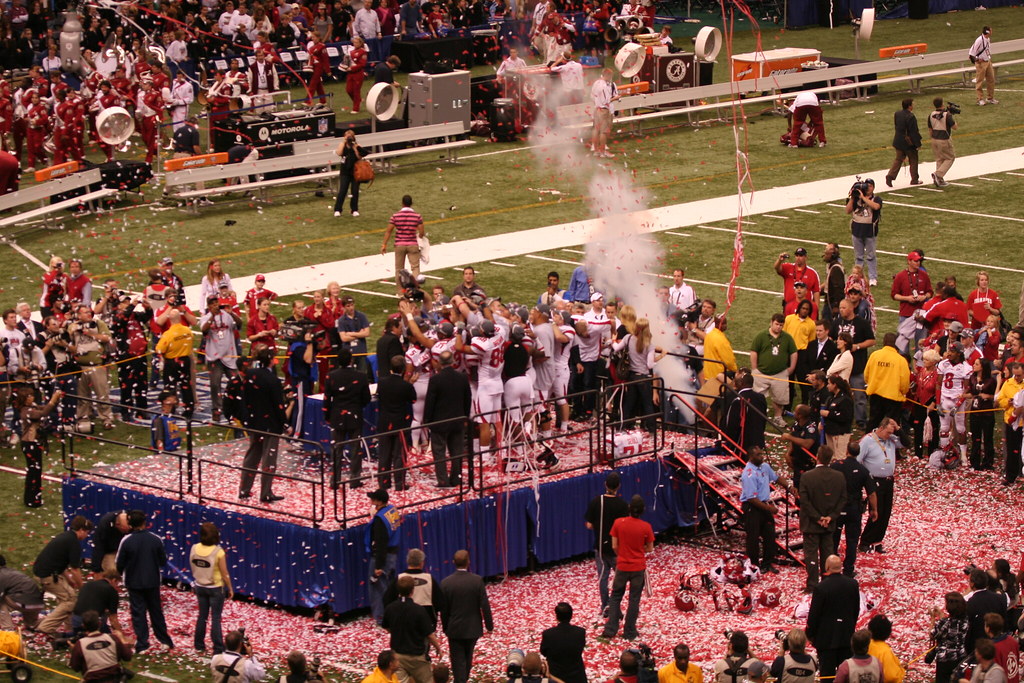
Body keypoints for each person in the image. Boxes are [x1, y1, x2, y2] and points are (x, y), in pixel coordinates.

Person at [116, 509, 173, 654]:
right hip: (152, 581)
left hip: (134, 582)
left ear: (129, 524)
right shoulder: (155, 539)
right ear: (144, 522)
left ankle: (142, 644)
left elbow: (119, 563)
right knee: (156, 611)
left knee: (138, 613)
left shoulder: (126, 540)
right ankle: (164, 641)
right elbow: (162, 561)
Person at [600, 494, 654, 640]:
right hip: (638, 567)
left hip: (622, 565)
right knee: (634, 599)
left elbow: (614, 546)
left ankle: (611, 629)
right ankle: (629, 631)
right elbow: (649, 548)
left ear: (629, 508)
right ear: (642, 510)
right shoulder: (646, 527)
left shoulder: (618, 523)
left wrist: (623, 553)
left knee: (616, 596)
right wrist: (638, 548)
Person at [239, 346, 288, 503]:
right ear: (271, 361)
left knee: (252, 454)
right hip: (270, 424)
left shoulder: (249, 374)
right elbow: (278, 406)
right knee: (269, 458)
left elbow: (244, 398)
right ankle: (265, 492)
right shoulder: (272, 380)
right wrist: (284, 424)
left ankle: (244, 489)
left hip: (254, 422)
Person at [33, 514, 94, 635]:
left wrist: (69, 580)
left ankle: (69, 627)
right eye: (87, 532)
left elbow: (61, 563)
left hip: (44, 572)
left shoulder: (66, 537)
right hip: (48, 575)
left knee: (66, 595)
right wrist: (82, 587)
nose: (87, 536)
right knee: (71, 600)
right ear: (81, 530)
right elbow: (75, 569)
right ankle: (45, 627)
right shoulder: (74, 543)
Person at [439, 550, 493, 683]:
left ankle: (461, 679)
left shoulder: (446, 583)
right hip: (472, 628)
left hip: (455, 628)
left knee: (458, 662)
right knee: (467, 659)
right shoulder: (476, 581)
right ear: (468, 562)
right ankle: (462, 679)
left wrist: (446, 627)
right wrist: (489, 626)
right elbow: (484, 605)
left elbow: (444, 610)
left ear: (453, 563)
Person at [799, 446, 847, 592]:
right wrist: (830, 517)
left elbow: (805, 502)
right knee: (827, 553)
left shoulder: (807, 476)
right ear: (831, 459)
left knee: (811, 554)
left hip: (811, 524)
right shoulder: (839, 476)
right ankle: (827, 583)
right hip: (828, 523)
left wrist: (818, 518)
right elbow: (843, 499)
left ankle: (812, 585)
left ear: (817, 456)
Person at [739, 446, 793, 574]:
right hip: (753, 507)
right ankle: (754, 565)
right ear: (751, 457)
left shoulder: (765, 467)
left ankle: (767, 563)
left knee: (769, 535)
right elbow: (751, 498)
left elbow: (776, 478)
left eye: (762, 454)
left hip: (763, 504)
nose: (761, 457)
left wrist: (789, 486)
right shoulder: (748, 474)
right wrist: (769, 509)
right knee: (753, 537)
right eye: (758, 455)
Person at [324, 348, 372, 489]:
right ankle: (354, 480)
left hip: (337, 416)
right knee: (355, 449)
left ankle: (335, 481)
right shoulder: (361, 376)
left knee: (336, 450)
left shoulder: (331, 376)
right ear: (351, 360)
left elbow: (327, 399)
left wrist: (328, 416)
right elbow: (366, 398)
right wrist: (357, 407)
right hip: (355, 416)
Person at [423, 350, 472, 488]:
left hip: (440, 422)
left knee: (439, 452)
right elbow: (467, 399)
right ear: (453, 361)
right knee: (456, 452)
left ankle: (443, 480)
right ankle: (456, 479)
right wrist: (465, 417)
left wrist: (427, 420)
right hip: (457, 420)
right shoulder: (461, 378)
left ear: (439, 362)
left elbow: (430, 402)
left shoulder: (435, 379)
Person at [807, 555, 861, 678]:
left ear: (827, 567)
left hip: (826, 639)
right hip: (846, 635)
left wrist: (810, 633)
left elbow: (814, 614)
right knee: (846, 675)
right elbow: (855, 610)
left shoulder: (821, 588)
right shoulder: (852, 584)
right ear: (841, 567)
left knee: (827, 675)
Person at [584, 471, 629, 615]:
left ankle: (606, 606)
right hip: (617, 549)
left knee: (603, 578)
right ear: (619, 486)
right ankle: (615, 605)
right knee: (620, 578)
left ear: (605, 485)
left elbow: (589, 525)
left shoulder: (597, 501)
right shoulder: (622, 505)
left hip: (601, 547)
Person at [383, 575, 442, 683]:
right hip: (417, 657)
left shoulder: (390, 608)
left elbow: (386, 627)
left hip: (397, 657)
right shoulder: (419, 610)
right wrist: (438, 647)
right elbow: (429, 634)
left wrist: (396, 631)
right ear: (412, 590)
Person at [856, 417, 899, 553]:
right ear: (881, 428)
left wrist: (899, 429)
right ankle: (866, 541)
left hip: (888, 479)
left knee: (886, 512)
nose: (889, 436)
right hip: (874, 480)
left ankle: (877, 540)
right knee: (876, 510)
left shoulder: (891, 439)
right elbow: (857, 460)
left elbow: (906, 443)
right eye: (887, 432)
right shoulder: (867, 440)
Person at [190, 521, 234, 655]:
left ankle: (199, 644)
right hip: (215, 587)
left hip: (200, 586)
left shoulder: (194, 548)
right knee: (215, 618)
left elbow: (192, 566)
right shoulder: (218, 552)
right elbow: (224, 573)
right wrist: (230, 588)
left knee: (202, 616)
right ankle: (218, 647)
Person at [832, 298, 876, 429]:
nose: (841, 310)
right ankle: (840, 416)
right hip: (841, 367)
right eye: (840, 307)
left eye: (844, 307)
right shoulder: (837, 322)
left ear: (851, 308)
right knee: (839, 394)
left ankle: (860, 420)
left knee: (859, 396)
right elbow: (831, 337)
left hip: (857, 366)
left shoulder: (862, 323)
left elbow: (872, 341)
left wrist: (857, 346)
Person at [15, 385, 62, 507]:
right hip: (29, 444)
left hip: (34, 443)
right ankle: (31, 500)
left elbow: (47, 408)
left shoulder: (32, 406)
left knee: (36, 471)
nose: (31, 397)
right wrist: (53, 399)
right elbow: (44, 412)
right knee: (33, 472)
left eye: (31, 395)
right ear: (24, 399)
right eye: (28, 396)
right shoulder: (27, 411)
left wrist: (55, 399)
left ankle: (35, 498)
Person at [749, 313, 798, 426]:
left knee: (779, 398)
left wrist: (791, 368)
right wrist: (755, 369)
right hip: (761, 372)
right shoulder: (761, 336)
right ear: (771, 322)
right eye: (776, 324)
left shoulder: (787, 337)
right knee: (757, 396)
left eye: (781, 325)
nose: (779, 327)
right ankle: (756, 415)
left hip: (780, 373)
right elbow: (754, 352)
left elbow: (793, 353)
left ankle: (777, 417)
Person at [201, 295, 241, 423]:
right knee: (214, 384)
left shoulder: (227, 315)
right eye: (212, 303)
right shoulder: (206, 318)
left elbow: (239, 325)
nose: (215, 305)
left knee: (236, 382)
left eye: (216, 302)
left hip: (229, 355)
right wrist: (212, 316)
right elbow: (204, 330)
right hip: (215, 357)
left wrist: (232, 313)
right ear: (209, 306)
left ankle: (237, 406)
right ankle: (216, 409)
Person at [367, 488, 402, 626]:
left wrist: (378, 566)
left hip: (383, 557)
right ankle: (392, 615)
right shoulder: (392, 510)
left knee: (378, 588)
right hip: (393, 554)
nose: (371, 500)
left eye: (373, 499)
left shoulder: (380, 520)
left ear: (379, 501)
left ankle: (381, 618)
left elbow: (380, 543)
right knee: (390, 587)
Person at [864, 333, 910, 434]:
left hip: (876, 394)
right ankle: (892, 447)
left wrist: (872, 383)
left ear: (884, 342)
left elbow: (866, 374)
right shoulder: (901, 360)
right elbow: (905, 382)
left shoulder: (875, 355)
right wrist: (903, 392)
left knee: (873, 421)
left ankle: (867, 443)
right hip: (893, 397)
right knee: (892, 424)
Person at [69, 610, 133, 682]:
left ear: (83, 625)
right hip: (114, 679)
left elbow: (75, 668)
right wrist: (122, 639)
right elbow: (127, 657)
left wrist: (74, 651)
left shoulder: (80, 644)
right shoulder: (112, 638)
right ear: (99, 624)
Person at [384, 548, 443, 625]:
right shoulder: (429, 579)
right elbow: (440, 603)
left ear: (407, 561)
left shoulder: (399, 578)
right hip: (427, 622)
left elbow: (387, 600)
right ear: (422, 563)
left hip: (403, 621)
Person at [844, 180, 883, 287]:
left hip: (870, 231)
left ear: (873, 188)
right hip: (856, 230)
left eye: (870, 186)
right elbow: (847, 211)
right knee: (859, 257)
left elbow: (875, 207)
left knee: (871, 256)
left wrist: (863, 198)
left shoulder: (876, 198)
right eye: (866, 186)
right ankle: (858, 277)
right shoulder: (856, 198)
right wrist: (853, 198)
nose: (868, 188)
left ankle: (872, 278)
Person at [382, 195, 426, 286]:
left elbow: (388, 231)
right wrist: (419, 237)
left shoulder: (395, 216)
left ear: (402, 203)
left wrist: (384, 245)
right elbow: (421, 232)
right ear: (411, 204)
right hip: (413, 244)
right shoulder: (417, 216)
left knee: (399, 269)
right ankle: (415, 289)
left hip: (399, 245)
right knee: (415, 268)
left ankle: (400, 292)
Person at [540, 602, 586, 683]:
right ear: (571, 615)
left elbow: (543, 651)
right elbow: (580, 648)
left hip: (555, 675)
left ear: (556, 616)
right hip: (576, 676)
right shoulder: (580, 632)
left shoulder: (548, 634)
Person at [966, 568, 1008, 655]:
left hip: (979, 648)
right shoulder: (1001, 598)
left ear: (972, 584)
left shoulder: (970, 603)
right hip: (1000, 642)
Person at [929, 592, 969, 683]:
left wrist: (932, 618)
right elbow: (950, 624)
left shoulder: (944, 623)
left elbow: (932, 635)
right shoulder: (965, 621)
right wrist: (941, 615)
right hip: (960, 657)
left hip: (945, 659)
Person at [966, 358, 997, 470]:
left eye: (976, 364)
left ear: (982, 367)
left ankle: (988, 462)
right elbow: (972, 393)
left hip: (987, 412)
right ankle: (974, 461)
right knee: (976, 437)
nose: (974, 365)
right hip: (975, 411)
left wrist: (988, 396)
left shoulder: (991, 381)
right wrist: (964, 396)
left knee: (988, 437)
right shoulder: (972, 378)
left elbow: (996, 396)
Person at [996, 361, 1024, 485]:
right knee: (1012, 450)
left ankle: (1021, 472)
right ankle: (1010, 475)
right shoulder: (1008, 383)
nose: (1016, 378)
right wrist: (1008, 402)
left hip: (1022, 422)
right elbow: (999, 400)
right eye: (1015, 375)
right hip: (1010, 421)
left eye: (1019, 375)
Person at [0, 553, 43, 631]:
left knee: (1, 600)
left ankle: (8, 628)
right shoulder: (11, 571)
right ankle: (44, 622)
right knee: (32, 624)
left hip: (24, 602)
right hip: (37, 603)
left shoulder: (1, 575)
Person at [886, 99, 923, 187]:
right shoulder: (911, 116)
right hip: (908, 143)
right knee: (913, 160)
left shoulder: (897, 114)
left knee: (898, 159)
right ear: (909, 106)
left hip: (898, 141)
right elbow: (914, 132)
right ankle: (914, 179)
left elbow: (897, 126)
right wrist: (918, 144)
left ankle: (890, 176)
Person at [334, 129, 368, 218]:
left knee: (355, 191)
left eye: (350, 136)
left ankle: (354, 210)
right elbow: (339, 153)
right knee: (342, 191)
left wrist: (355, 148)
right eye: (346, 136)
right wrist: (344, 142)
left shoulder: (356, 145)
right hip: (345, 171)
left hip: (355, 172)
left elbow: (360, 157)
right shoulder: (342, 144)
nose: (348, 138)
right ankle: (338, 209)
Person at [590, 68, 619, 159]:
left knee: (596, 130)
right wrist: (617, 97)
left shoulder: (596, 83)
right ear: (608, 75)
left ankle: (596, 151)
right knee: (603, 132)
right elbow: (606, 101)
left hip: (596, 109)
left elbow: (592, 96)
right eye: (610, 76)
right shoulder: (604, 86)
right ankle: (602, 152)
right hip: (603, 110)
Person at [928, 97, 958, 187]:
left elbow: (930, 129)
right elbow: (955, 127)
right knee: (950, 158)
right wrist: (952, 116)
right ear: (942, 104)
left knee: (940, 159)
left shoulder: (931, 114)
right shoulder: (947, 115)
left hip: (934, 139)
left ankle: (939, 180)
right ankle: (938, 174)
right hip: (944, 139)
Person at [867, 615, 905, 683]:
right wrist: (901, 671)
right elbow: (891, 677)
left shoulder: (866, 644)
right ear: (888, 633)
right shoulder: (885, 652)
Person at [969, 27, 997, 107]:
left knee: (991, 79)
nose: (992, 31)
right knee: (980, 81)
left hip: (987, 61)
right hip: (981, 63)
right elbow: (971, 53)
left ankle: (990, 98)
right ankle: (980, 99)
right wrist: (977, 59)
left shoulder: (987, 39)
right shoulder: (979, 40)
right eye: (991, 30)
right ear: (988, 32)